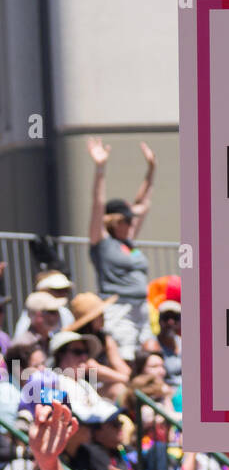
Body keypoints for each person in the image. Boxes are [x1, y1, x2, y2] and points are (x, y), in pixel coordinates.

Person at [86, 136, 156, 362]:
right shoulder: (103, 243)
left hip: (141, 309)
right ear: (115, 222)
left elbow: (143, 203)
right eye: (126, 220)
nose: (131, 223)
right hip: (120, 310)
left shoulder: (129, 241)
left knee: (147, 357)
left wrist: (151, 169)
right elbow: (97, 204)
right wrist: (100, 168)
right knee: (126, 358)